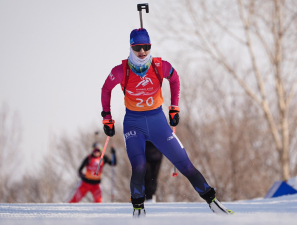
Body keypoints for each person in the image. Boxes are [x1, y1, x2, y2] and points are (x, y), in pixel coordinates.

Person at [100, 28, 233, 217]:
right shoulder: (121, 70)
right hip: (133, 124)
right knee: (139, 166)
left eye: (146, 46)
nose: (142, 51)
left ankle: (214, 202)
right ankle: (138, 211)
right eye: (138, 47)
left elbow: (175, 79)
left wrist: (174, 107)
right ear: (131, 47)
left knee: (185, 165)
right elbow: (106, 89)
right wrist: (107, 117)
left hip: (158, 123)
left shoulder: (159, 65)